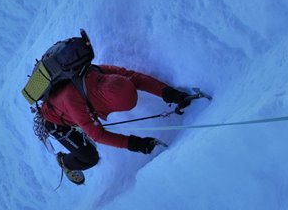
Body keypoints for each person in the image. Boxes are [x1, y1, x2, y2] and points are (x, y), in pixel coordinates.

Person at [39, 63, 193, 185]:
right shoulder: (75, 102)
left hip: (71, 107)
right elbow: (98, 135)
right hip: (56, 121)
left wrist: (171, 94)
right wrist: (136, 144)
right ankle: (65, 162)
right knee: (90, 157)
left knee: (87, 128)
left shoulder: (100, 71)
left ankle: (78, 132)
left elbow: (135, 78)